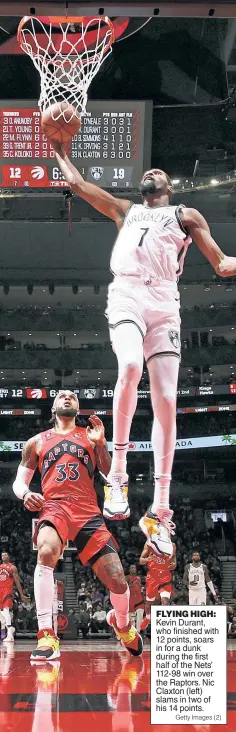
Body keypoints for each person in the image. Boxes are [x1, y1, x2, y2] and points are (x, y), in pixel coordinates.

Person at [50, 140, 236, 556]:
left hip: (165, 304)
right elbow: (79, 184)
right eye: (146, 175)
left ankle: (160, 510)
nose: (151, 174)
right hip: (129, 296)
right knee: (131, 365)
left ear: (169, 186)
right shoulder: (125, 211)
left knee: (168, 398)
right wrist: (57, 148)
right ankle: (116, 472)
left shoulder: (186, 215)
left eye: (158, 173)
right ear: (143, 189)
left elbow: (223, 264)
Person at [12, 390, 143, 660]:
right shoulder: (36, 442)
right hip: (54, 505)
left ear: (79, 406)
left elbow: (110, 474)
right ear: (54, 406)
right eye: (62, 395)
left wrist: (102, 444)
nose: (67, 397)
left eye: (72, 396)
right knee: (46, 552)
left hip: (87, 509)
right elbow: (19, 482)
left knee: (118, 579)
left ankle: (122, 625)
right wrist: (26, 494)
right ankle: (47, 635)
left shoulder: (90, 435)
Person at [139, 541, 176, 630]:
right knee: (148, 605)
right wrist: (147, 559)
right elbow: (141, 560)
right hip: (152, 577)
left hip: (165, 576)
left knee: (165, 602)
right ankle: (148, 617)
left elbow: (174, 562)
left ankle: (163, 626)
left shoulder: (172, 545)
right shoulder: (149, 544)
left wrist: (173, 565)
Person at [0, 551, 29, 642]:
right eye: (2, 555)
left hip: (7, 590)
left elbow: (17, 581)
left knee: (6, 610)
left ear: (9, 557)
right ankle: (10, 629)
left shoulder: (12, 567)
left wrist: (21, 594)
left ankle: (9, 634)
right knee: (2, 614)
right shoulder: (0, 567)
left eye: (6, 555)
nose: (4, 556)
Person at [126, 564, 144, 632]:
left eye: (134, 567)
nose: (133, 568)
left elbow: (141, 587)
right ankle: (132, 632)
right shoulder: (127, 577)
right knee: (131, 619)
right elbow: (125, 588)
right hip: (131, 601)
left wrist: (141, 588)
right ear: (129, 570)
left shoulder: (139, 578)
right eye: (132, 567)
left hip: (139, 600)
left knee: (140, 616)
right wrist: (132, 585)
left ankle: (138, 632)